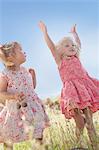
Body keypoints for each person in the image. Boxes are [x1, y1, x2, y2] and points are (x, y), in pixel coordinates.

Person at [39, 21, 99, 150]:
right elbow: (51, 47)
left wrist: (74, 34)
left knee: (89, 121)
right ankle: (77, 143)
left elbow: (79, 45)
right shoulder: (60, 60)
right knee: (80, 122)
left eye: (72, 45)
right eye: (67, 45)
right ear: (60, 50)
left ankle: (94, 146)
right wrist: (45, 32)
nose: (71, 47)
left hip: (85, 90)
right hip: (72, 93)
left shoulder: (76, 58)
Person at [0, 42, 49, 149]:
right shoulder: (5, 74)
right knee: (9, 134)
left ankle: (39, 147)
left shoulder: (25, 70)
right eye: (20, 50)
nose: (24, 52)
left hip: (32, 107)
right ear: (11, 56)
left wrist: (33, 77)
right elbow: (1, 93)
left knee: (38, 132)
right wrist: (13, 96)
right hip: (16, 109)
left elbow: (31, 89)